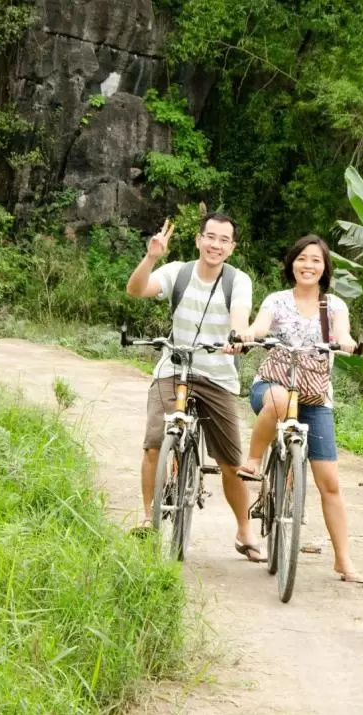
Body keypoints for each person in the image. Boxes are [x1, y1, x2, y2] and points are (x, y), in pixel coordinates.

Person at [125, 212, 266, 562]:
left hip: (218, 375)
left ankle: (244, 531)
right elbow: (136, 290)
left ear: (231, 248)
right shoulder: (178, 272)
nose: (215, 245)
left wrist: (238, 337)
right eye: (210, 237)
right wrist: (151, 257)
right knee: (154, 443)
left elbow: (240, 314)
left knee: (231, 462)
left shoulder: (239, 280)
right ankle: (147, 517)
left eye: (223, 240)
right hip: (174, 368)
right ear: (198, 240)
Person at [235, 234, 363, 583]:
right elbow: (259, 327)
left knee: (330, 483)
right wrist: (249, 336)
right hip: (273, 387)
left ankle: (343, 560)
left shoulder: (334, 306)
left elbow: (343, 333)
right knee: (278, 400)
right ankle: (253, 460)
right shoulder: (276, 300)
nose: (308, 265)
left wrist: (347, 343)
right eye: (302, 259)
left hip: (314, 397)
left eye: (316, 261)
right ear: (292, 263)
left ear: (324, 269)